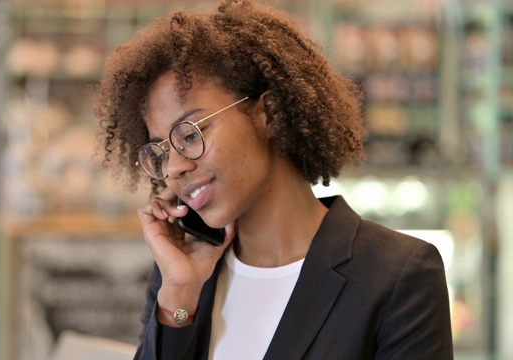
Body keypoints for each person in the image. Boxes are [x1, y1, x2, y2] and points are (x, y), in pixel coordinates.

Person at [95, 0, 453, 359]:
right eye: (159, 152)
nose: (173, 169)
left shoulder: (395, 275)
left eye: (190, 135)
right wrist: (180, 294)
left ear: (267, 112)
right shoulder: (183, 277)